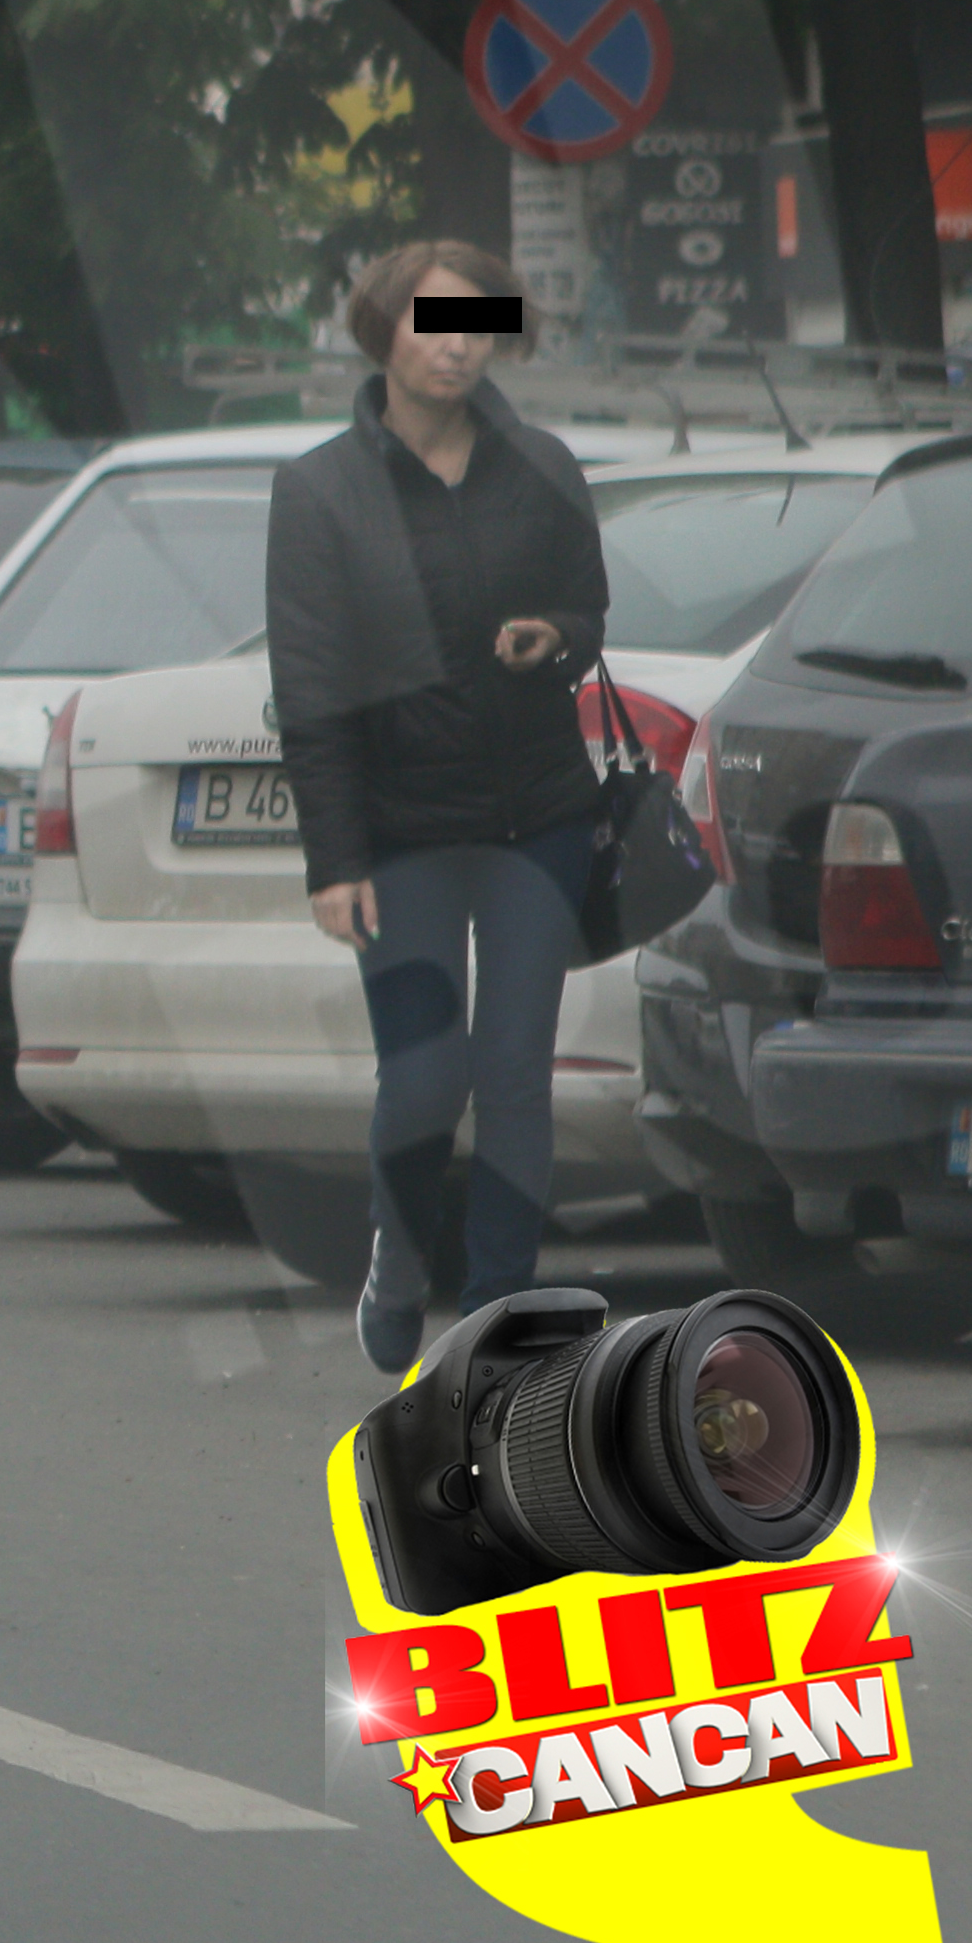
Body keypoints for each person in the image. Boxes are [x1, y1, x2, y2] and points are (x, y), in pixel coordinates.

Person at [264, 237, 614, 1376]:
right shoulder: (319, 491)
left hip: (538, 820)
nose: (459, 345)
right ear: (384, 331)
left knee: (514, 1068)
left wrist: (555, 635)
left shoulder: (545, 465)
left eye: (479, 325)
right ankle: (399, 1259)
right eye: (435, 322)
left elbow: (589, 612)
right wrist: (334, 858)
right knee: (425, 1075)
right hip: (401, 830)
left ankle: (499, 1311)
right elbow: (309, 688)